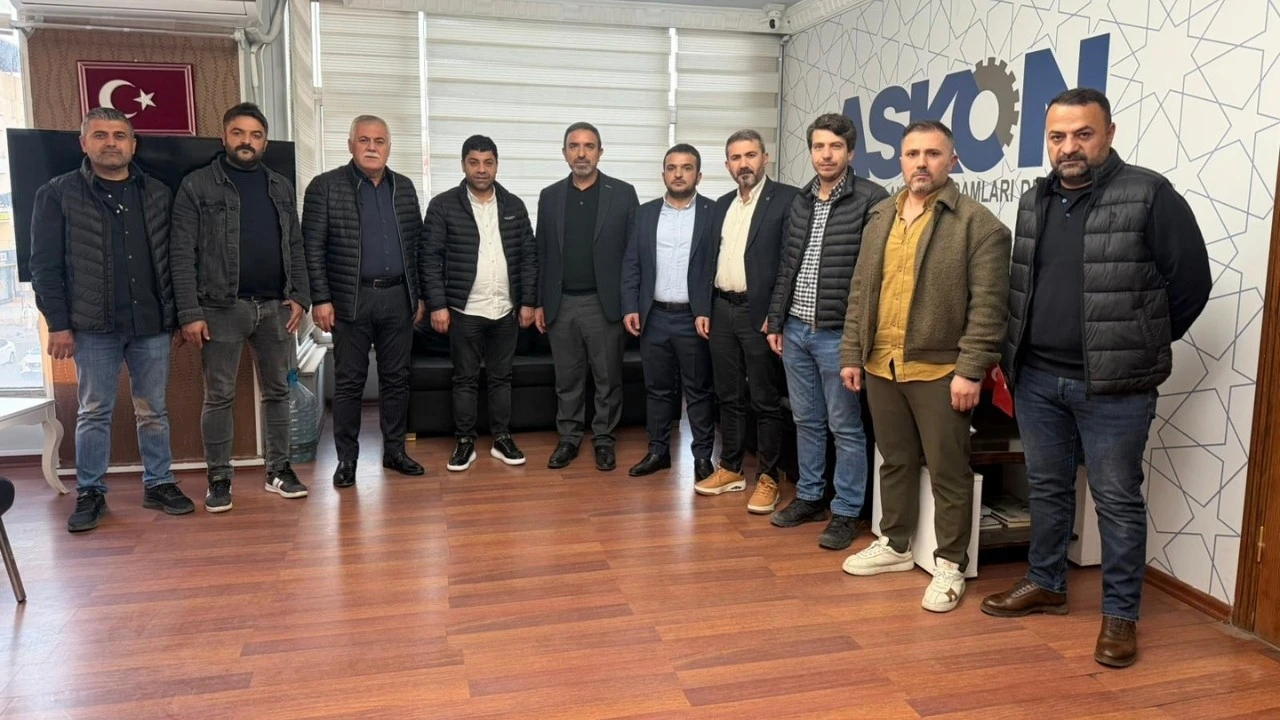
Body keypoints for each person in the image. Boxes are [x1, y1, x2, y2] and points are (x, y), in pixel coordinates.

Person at [982, 88, 1211, 667]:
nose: (1070, 147)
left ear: (1108, 134)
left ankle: (1121, 616)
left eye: (1083, 134)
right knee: (1047, 487)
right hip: (1038, 379)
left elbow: (1191, 285)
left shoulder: (1148, 193)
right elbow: (1023, 284)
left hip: (1114, 388)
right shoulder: (1034, 200)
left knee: (1115, 499)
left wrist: (1138, 342)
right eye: (1057, 136)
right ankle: (1046, 583)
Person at [838, 120, 1011, 613]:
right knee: (894, 460)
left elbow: (989, 308)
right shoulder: (880, 216)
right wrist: (852, 353)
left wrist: (971, 370)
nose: (921, 163)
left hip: (941, 371)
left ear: (952, 160)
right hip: (881, 363)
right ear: (900, 160)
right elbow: (860, 292)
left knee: (948, 471)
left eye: (933, 154)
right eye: (912, 153)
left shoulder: (979, 225)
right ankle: (895, 544)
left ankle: (950, 563)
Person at [30, 107, 193, 532]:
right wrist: (58, 323)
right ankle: (91, 492)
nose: (111, 143)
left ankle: (159, 483)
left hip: (151, 323)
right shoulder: (58, 194)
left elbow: (175, 260)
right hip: (92, 326)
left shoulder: (157, 193)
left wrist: (178, 316)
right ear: (84, 143)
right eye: (100, 135)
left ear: (133, 145)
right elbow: (44, 266)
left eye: (119, 135)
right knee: (94, 411)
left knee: (153, 410)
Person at [171, 102, 311, 512]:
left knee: (278, 391)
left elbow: (295, 244)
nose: (246, 141)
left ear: (264, 142)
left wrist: (300, 295)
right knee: (219, 396)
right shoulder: (198, 185)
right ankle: (219, 478)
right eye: (238, 133)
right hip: (220, 308)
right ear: (224, 137)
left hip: (276, 307)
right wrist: (189, 312)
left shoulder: (280, 186)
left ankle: (279, 470)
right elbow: (181, 253)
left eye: (255, 135)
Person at [764, 113, 889, 550]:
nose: (826, 155)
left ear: (850, 152)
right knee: (806, 420)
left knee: (845, 427)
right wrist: (776, 320)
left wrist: (856, 342)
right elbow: (787, 266)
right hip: (796, 329)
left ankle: (847, 511)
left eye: (835, 147)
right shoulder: (801, 200)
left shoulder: (872, 199)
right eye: (819, 146)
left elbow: (872, 277)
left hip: (838, 335)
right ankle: (811, 496)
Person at [302, 114, 426, 488]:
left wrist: (418, 295)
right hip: (350, 299)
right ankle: (347, 460)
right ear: (350, 144)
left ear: (389, 147)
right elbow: (312, 248)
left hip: (397, 299)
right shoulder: (325, 187)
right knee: (349, 382)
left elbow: (417, 246)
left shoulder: (403, 187)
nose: (372, 147)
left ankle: (395, 452)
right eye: (364, 140)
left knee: (397, 380)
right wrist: (320, 299)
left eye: (379, 141)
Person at [691, 129, 799, 513]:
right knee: (729, 395)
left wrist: (777, 314)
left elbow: (790, 263)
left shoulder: (787, 199)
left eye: (750, 155)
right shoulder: (721, 204)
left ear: (765, 158)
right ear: (727, 165)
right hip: (722, 309)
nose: (744, 164)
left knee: (765, 399)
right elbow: (708, 259)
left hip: (760, 314)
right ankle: (731, 469)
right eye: (736, 158)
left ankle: (769, 477)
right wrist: (703, 308)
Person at [423, 135, 536, 471]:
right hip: (464, 310)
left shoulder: (514, 206)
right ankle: (464, 442)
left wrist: (528, 302)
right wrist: (437, 305)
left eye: (488, 162)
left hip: (505, 309)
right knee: (465, 379)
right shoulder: (443, 205)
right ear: (463, 165)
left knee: (502, 378)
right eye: (474, 162)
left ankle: (502, 438)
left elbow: (529, 257)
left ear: (497, 165)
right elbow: (429, 258)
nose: (481, 169)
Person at [534, 122, 639, 471]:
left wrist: (631, 303)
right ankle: (569, 438)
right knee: (567, 379)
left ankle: (604, 439)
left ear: (600, 152)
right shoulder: (549, 196)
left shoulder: (623, 194)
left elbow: (633, 255)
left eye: (589, 146)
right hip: (560, 303)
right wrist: (539, 301)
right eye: (574, 146)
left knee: (608, 379)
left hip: (604, 304)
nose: (581, 153)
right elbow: (542, 252)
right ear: (564, 153)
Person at [621, 144, 716, 480]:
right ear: (663, 174)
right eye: (672, 168)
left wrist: (707, 309)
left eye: (686, 168)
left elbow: (715, 267)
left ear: (698, 175)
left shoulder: (713, 212)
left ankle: (702, 458)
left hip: (694, 318)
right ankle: (658, 452)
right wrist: (630, 306)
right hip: (654, 316)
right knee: (657, 389)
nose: (678, 174)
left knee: (699, 390)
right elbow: (632, 263)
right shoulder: (645, 214)